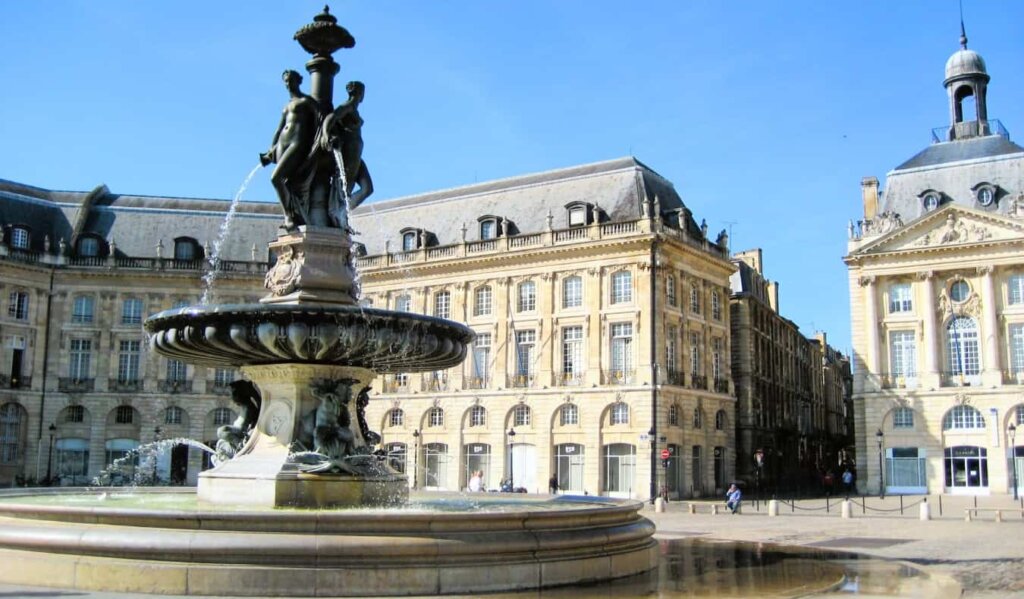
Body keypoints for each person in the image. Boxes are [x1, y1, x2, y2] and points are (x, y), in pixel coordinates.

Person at [261, 69, 319, 229]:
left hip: (297, 143)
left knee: (276, 178)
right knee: (286, 182)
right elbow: (279, 129)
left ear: (299, 81)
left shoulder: (307, 102)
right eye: (286, 81)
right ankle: (293, 214)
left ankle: (289, 216)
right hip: (282, 144)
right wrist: (270, 150)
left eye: (291, 80)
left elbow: (320, 124)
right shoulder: (286, 106)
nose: (288, 84)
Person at [320, 80, 374, 213]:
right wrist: (326, 134)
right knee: (345, 187)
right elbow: (331, 117)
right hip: (348, 153)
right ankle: (338, 213)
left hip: (357, 155)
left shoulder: (353, 109)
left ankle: (343, 211)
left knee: (367, 188)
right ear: (361, 93)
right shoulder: (348, 106)